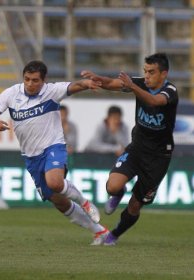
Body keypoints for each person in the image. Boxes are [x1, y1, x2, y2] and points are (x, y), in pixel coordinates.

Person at [0, 60, 109, 245]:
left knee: (55, 182)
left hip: (53, 146)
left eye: (35, 80)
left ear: (44, 80)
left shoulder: (52, 91)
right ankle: (100, 232)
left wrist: (87, 84)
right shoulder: (11, 94)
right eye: (27, 79)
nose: (30, 84)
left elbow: (76, 85)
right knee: (59, 201)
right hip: (31, 157)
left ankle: (84, 202)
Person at [81, 53, 178, 245]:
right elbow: (113, 84)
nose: (147, 76)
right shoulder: (141, 83)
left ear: (163, 74)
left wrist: (133, 86)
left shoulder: (170, 91)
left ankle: (114, 235)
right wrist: (99, 80)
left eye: (151, 72)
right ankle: (117, 194)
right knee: (113, 185)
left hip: (159, 157)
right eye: (145, 72)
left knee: (135, 206)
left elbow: (154, 102)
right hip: (137, 148)